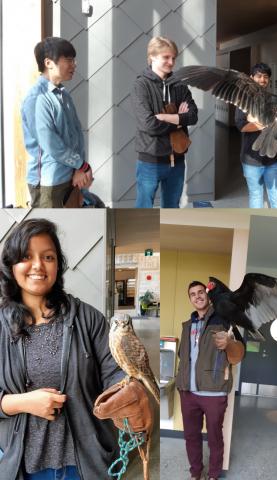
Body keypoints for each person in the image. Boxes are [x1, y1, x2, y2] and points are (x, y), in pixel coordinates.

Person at [0, 218, 125, 479]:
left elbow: (116, 376)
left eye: (48, 256)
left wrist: (129, 396)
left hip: (85, 464)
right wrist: (22, 402)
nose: (37, 265)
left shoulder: (88, 318)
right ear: (11, 265)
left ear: (58, 265)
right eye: (25, 256)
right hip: (23, 466)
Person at [176, 281, 245, 480]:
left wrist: (230, 342)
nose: (197, 296)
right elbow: (184, 356)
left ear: (207, 295)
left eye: (200, 292)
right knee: (191, 437)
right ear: (190, 299)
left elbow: (239, 354)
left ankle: (214, 475)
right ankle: (195, 473)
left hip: (214, 392)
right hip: (187, 392)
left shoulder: (224, 320)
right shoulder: (187, 326)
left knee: (214, 437)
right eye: (192, 294)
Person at [21, 37, 93, 208]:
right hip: (48, 182)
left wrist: (79, 169)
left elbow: (75, 136)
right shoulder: (36, 98)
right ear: (48, 63)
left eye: (73, 60)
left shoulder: (63, 94)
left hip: (71, 176)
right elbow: (51, 145)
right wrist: (81, 165)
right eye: (68, 60)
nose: (74, 65)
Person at [131, 36, 198, 208]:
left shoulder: (179, 84)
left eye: (173, 58)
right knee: (144, 211)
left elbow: (193, 116)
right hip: (150, 162)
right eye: (166, 57)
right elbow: (149, 125)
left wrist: (166, 118)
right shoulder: (141, 85)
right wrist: (179, 120)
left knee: (171, 210)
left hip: (177, 160)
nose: (171, 62)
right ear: (152, 56)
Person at [235, 63, 277, 208]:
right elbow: (242, 126)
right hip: (251, 159)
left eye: (265, 77)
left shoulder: (275, 100)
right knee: (256, 197)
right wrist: (266, 123)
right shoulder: (243, 101)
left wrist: (255, 121)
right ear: (251, 78)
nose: (262, 80)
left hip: (273, 159)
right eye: (259, 76)